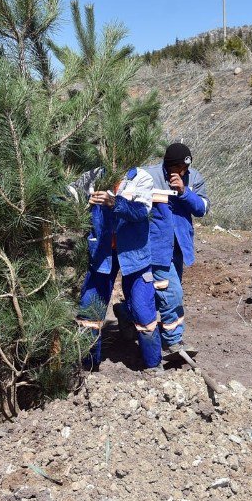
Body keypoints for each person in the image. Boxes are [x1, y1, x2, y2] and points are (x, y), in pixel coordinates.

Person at [69, 166, 162, 371]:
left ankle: (153, 366)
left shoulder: (141, 178)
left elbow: (141, 212)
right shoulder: (92, 175)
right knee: (89, 312)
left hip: (134, 254)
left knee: (143, 311)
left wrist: (114, 202)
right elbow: (69, 195)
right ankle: (88, 368)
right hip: (102, 255)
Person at [141, 142, 209, 359]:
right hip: (156, 246)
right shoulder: (148, 176)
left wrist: (184, 192)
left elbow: (202, 209)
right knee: (172, 293)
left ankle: (127, 313)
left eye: (185, 168)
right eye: (178, 167)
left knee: (160, 293)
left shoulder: (195, 178)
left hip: (180, 245)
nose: (183, 172)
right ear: (168, 165)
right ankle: (173, 342)